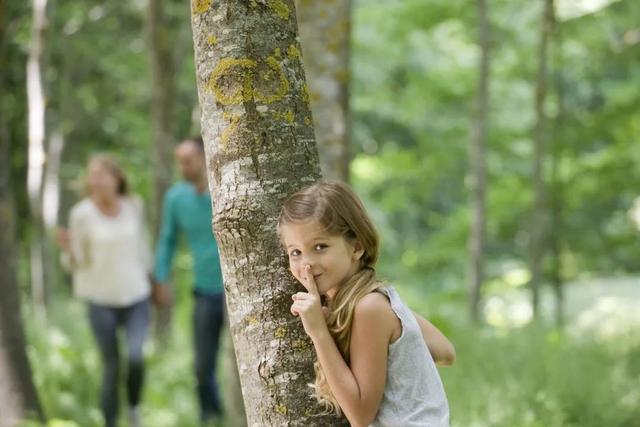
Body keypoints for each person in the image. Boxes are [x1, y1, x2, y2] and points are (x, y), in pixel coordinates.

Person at [278, 180, 455, 427]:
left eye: (320, 247)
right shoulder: (379, 301)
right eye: (295, 252)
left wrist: (319, 332)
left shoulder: (370, 308)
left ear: (357, 247)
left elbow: (361, 416)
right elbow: (444, 350)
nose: (306, 263)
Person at [56, 154, 151, 427]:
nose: (94, 181)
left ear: (116, 178)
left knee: (135, 357)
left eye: (100, 175)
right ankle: (110, 421)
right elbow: (77, 261)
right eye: (91, 176)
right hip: (100, 299)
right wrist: (68, 250)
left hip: (136, 295)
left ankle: (133, 409)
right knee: (111, 366)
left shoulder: (134, 205)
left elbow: (142, 247)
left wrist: (154, 280)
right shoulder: (81, 214)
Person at [153, 136, 225, 425]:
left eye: (187, 160)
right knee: (202, 366)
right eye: (179, 161)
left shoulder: (225, 189)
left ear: (205, 157)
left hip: (237, 292)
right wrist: (161, 278)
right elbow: (167, 240)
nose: (182, 167)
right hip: (205, 291)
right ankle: (212, 417)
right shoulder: (176, 198)